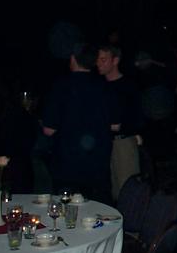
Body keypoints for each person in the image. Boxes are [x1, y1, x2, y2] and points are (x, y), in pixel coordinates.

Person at [42, 44, 115, 203]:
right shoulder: (104, 86)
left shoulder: (62, 86)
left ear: (73, 59)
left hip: (68, 164)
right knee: (97, 210)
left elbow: (48, 129)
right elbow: (112, 123)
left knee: (67, 210)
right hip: (97, 165)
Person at [96, 45, 143, 201]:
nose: (99, 63)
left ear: (115, 60)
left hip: (122, 143)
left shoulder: (128, 86)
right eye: (98, 59)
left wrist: (119, 126)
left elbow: (138, 118)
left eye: (103, 59)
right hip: (102, 144)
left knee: (126, 191)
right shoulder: (98, 86)